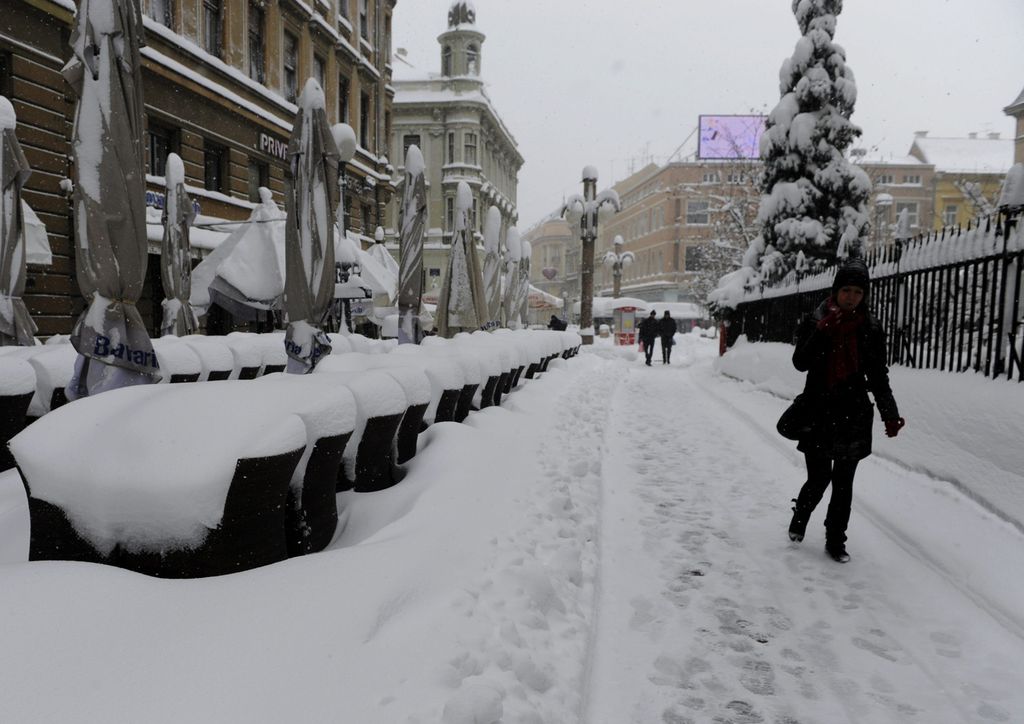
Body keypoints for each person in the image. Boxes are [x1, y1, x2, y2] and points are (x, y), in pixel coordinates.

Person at [787, 257, 906, 563]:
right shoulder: (815, 321)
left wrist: (889, 413)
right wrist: (822, 333)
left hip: (853, 414)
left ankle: (836, 539)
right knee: (819, 478)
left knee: (844, 483)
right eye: (846, 290)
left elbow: (878, 375)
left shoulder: (870, 328)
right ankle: (801, 513)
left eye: (857, 291)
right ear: (836, 291)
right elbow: (800, 362)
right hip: (818, 411)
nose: (851, 297)